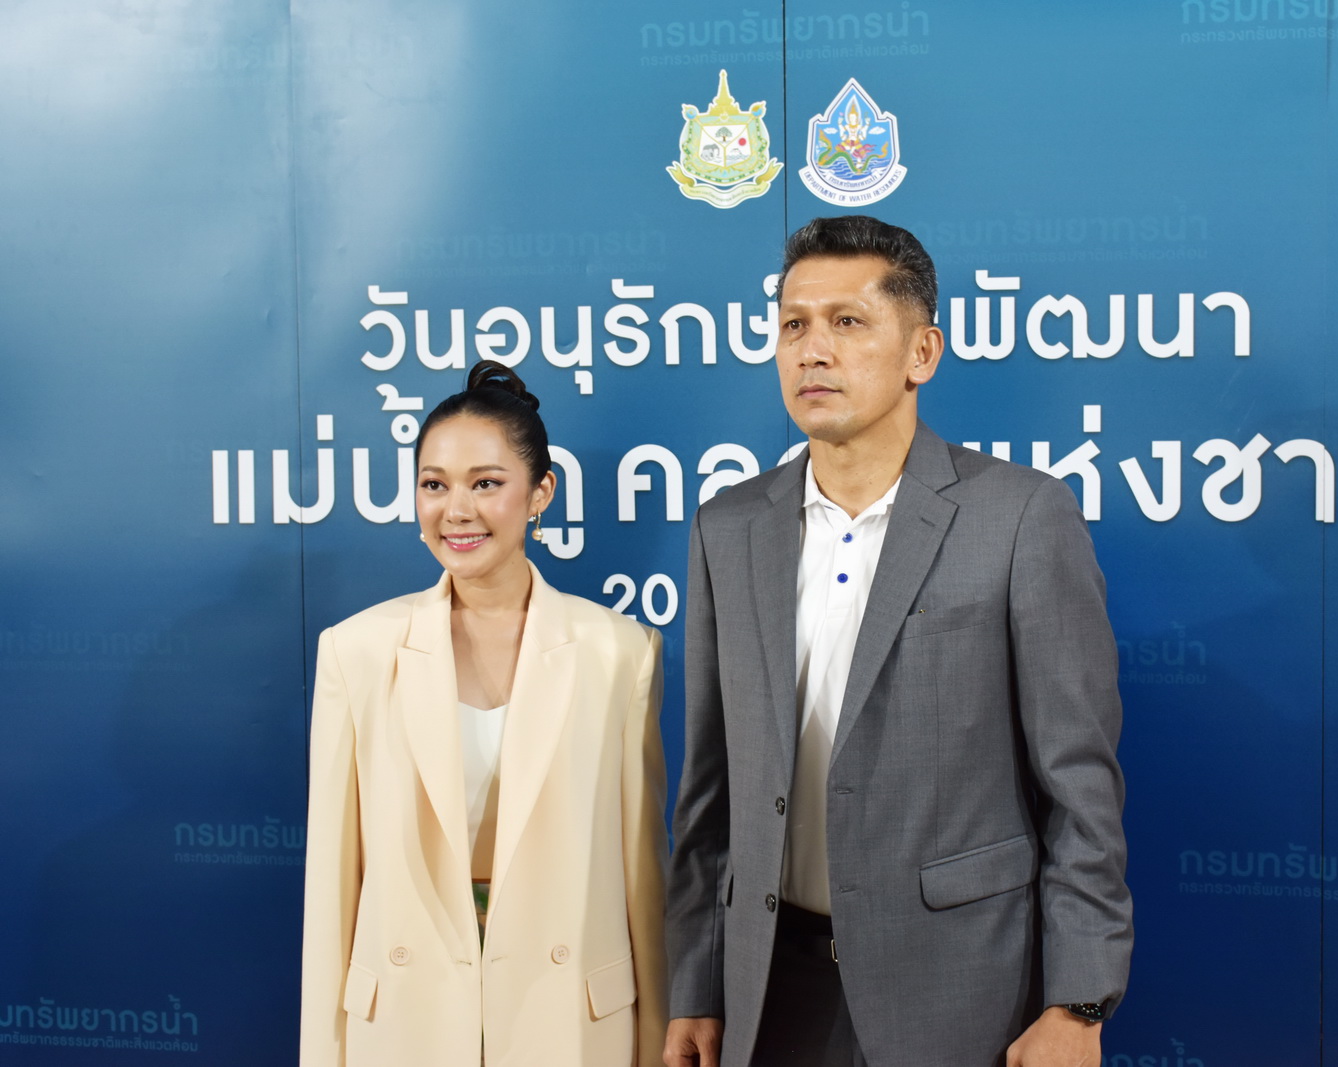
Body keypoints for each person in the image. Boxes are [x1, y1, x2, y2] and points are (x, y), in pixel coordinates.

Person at [663, 216, 1132, 1067]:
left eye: (847, 321)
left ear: (922, 352)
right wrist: (695, 985)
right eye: (794, 324)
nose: (813, 350)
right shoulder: (726, 528)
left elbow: (1081, 790)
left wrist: (1079, 1001)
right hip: (769, 992)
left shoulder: (1021, 516)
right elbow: (709, 795)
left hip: (960, 988)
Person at [300, 360, 668, 1067]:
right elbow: (332, 888)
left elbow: (643, 884)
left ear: (540, 493)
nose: (456, 510)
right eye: (434, 484)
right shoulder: (357, 651)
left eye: (486, 483)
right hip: (404, 1024)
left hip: (569, 1023)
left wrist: (654, 1043)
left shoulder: (620, 652)